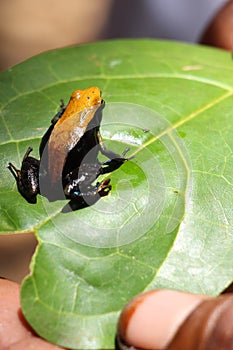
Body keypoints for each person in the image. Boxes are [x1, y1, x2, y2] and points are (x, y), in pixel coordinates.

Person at [1, 1, 233, 349]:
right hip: (62, 175)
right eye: (86, 103)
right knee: (74, 186)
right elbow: (95, 149)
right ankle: (77, 189)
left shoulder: (75, 122)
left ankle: (34, 175)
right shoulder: (87, 127)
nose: (91, 101)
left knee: (46, 173)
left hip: (50, 166)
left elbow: (68, 136)